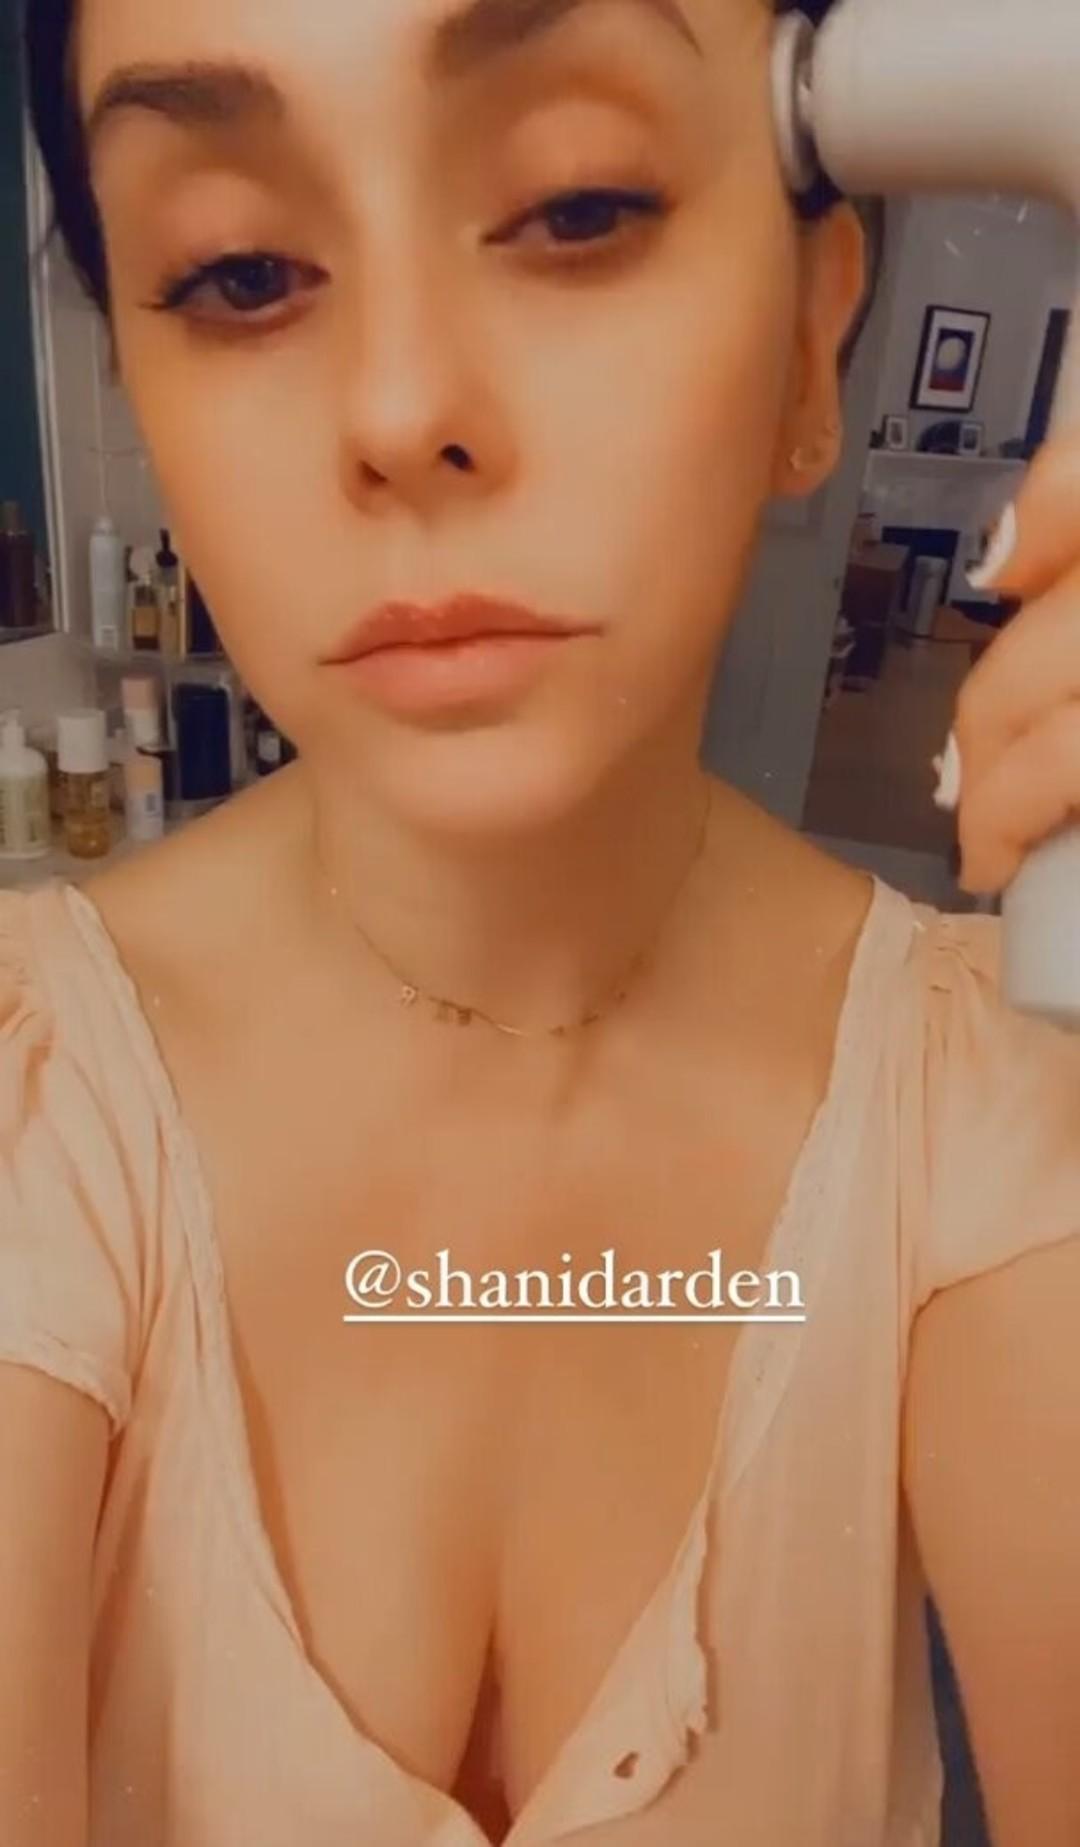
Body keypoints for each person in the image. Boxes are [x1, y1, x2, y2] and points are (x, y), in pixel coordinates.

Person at [3, 0, 1080, 1841]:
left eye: (578, 207)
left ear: (811, 338)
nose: (399, 410)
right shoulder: (38, 1110)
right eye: (242, 272)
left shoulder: (987, 1108)